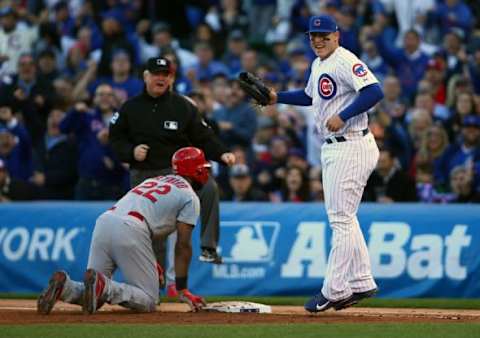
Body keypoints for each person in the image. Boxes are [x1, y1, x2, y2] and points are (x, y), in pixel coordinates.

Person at [265, 15, 384, 312]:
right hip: (337, 147)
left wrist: (343, 115)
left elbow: (374, 91)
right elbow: (309, 97)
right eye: (313, 35)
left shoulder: (345, 60)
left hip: (351, 143)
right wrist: (276, 96)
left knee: (340, 219)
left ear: (337, 35)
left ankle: (334, 290)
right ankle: (361, 281)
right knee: (346, 217)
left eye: (323, 35)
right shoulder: (319, 64)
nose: (318, 39)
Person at [37, 147, 209, 315]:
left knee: (95, 296)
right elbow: (183, 245)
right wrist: (182, 288)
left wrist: (149, 260)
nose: (206, 172)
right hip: (132, 229)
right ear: (196, 170)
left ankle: (65, 287)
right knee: (149, 299)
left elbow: (148, 215)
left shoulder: (153, 180)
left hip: (105, 221)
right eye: (204, 167)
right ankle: (106, 286)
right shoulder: (190, 197)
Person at [109, 57, 236, 264]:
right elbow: (115, 139)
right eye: (156, 74)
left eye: (165, 75)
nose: (161, 78)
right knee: (152, 234)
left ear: (172, 78)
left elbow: (203, 136)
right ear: (146, 76)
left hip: (177, 176)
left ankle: (208, 248)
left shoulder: (183, 106)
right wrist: (130, 152)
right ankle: (152, 283)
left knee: (209, 187)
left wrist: (222, 153)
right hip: (145, 177)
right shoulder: (130, 108)